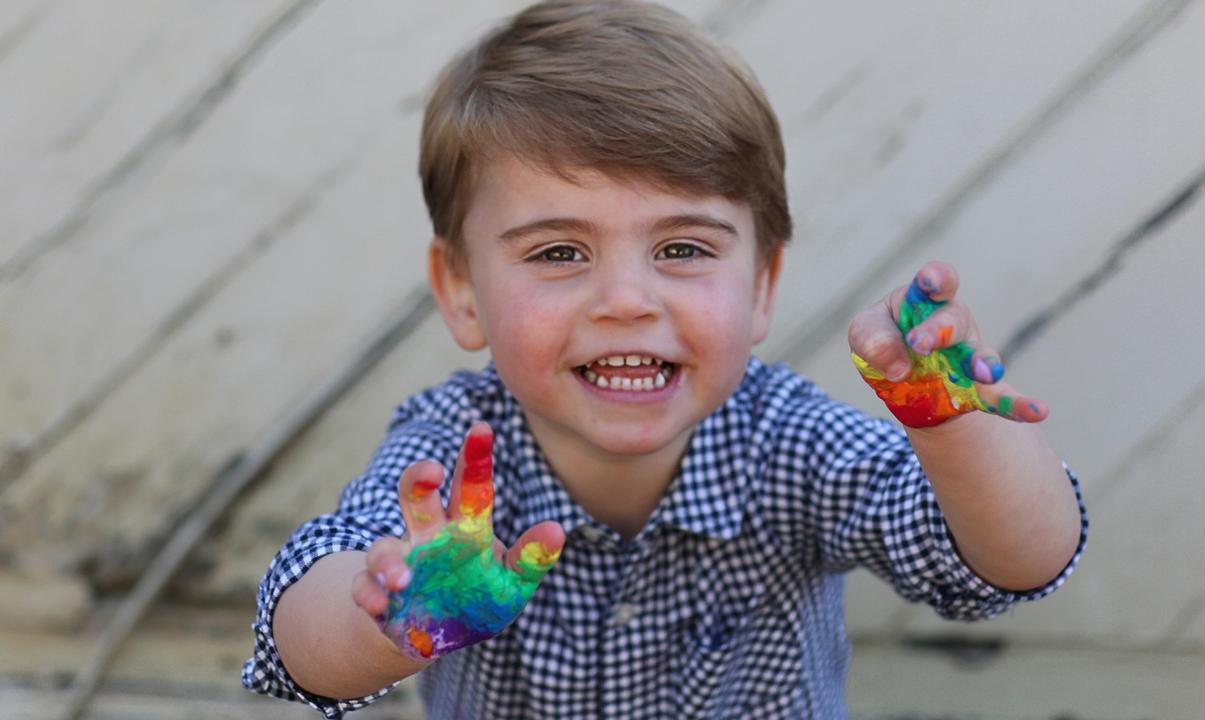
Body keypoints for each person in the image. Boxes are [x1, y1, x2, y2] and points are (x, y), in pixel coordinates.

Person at [243, 1, 1087, 717]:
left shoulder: (789, 441)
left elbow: (1010, 564)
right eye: (559, 254)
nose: (627, 299)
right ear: (461, 288)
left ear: (762, 285)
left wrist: (953, 432)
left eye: (682, 248)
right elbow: (297, 632)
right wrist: (392, 624)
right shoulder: (456, 456)